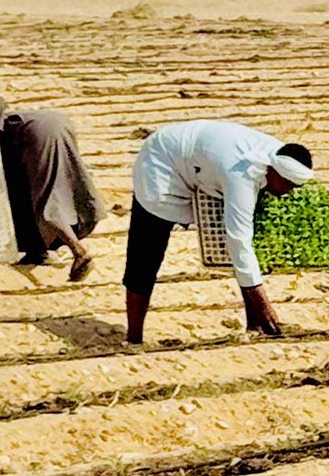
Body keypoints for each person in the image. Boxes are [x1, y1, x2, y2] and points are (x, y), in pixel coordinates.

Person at [124, 120, 314, 343]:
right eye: (288, 186)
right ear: (275, 173)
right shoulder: (240, 176)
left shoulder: (279, 156)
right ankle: (134, 338)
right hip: (162, 163)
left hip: (199, 163)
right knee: (147, 251)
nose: (289, 192)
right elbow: (239, 240)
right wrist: (264, 304)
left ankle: (254, 324)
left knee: (242, 251)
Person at [0, 97, 101, 281]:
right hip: (59, 124)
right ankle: (38, 250)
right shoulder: (10, 143)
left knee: (46, 198)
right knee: (65, 187)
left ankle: (78, 251)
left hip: (39, 134)